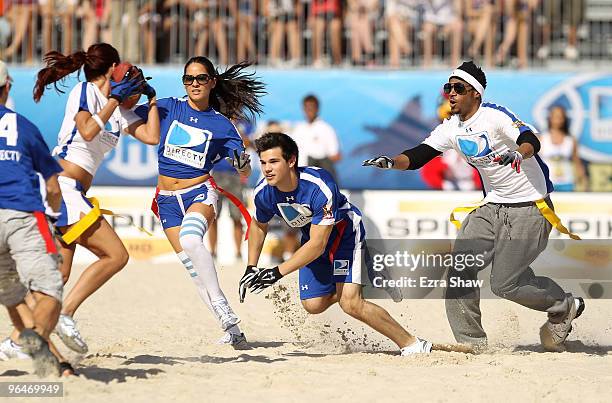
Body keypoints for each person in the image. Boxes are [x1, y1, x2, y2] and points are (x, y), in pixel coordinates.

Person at [363, 61, 585, 352]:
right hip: (491, 207)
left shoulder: (495, 117)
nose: (451, 93)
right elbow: (419, 155)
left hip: (529, 208)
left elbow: (531, 140)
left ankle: (562, 304)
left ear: (475, 94)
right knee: (459, 268)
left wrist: (519, 153)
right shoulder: (451, 128)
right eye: (448, 88)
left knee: (505, 284)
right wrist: (392, 162)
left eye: (458, 88)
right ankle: (472, 343)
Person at [239, 132, 434, 355]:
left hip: (345, 236)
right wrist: (250, 267)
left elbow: (318, 245)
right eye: (263, 162)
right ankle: (364, 278)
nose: (266, 169)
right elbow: (258, 225)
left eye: (273, 161)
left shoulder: (319, 185)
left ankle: (413, 344)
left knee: (350, 304)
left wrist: (276, 272)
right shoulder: (264, 191)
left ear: (291, 160)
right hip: (313, 238)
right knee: (313, 305)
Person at [32, 43, 160, 354]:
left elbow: (151, 137)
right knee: (116, 255)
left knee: (60, 273)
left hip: (72, 192)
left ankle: (29, 333)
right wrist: (115, 98)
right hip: (61, 186)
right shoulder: (84, 91)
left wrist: (152, 99)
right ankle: (65, 313)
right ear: (113, 69)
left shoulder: (119, 109)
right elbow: (88, 131)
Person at [135, 57, 265, 348]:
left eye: (201, 78)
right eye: (189, 78)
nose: (194, 83)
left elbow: (244, 170)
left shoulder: (222, 126)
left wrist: (242, 163)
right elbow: (130, 115)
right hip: (166, 199)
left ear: (212, 82)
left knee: (192, 241)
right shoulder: (169, 106)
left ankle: (221, 304)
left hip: (199, 193)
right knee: (194, 272)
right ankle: (233, 332)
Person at [0, 60, 66, 376]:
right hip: (19, 214)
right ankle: (37, 341)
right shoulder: (24, 126)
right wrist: (52, 217)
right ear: (8, 87)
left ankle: (52, 364)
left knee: (12, 295)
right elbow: (53, 187)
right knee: (51, 289)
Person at [291, 94, 341, 182]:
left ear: (317, 109)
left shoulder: (326, 129)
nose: (309, 111)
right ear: (303, 109)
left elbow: (336, 156)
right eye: (306, 108)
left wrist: (318, 161)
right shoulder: (298, 129)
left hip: (320, 179)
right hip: (301, 177)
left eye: (311, 108)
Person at [538, 105, 588, 191]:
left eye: (561, 117)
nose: (558, 120)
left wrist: (584, 182)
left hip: (567, 183)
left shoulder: (571, 140)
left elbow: (577, 162)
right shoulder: (542, 139)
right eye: (556, 117)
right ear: (550, 118)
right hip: (547, 182)